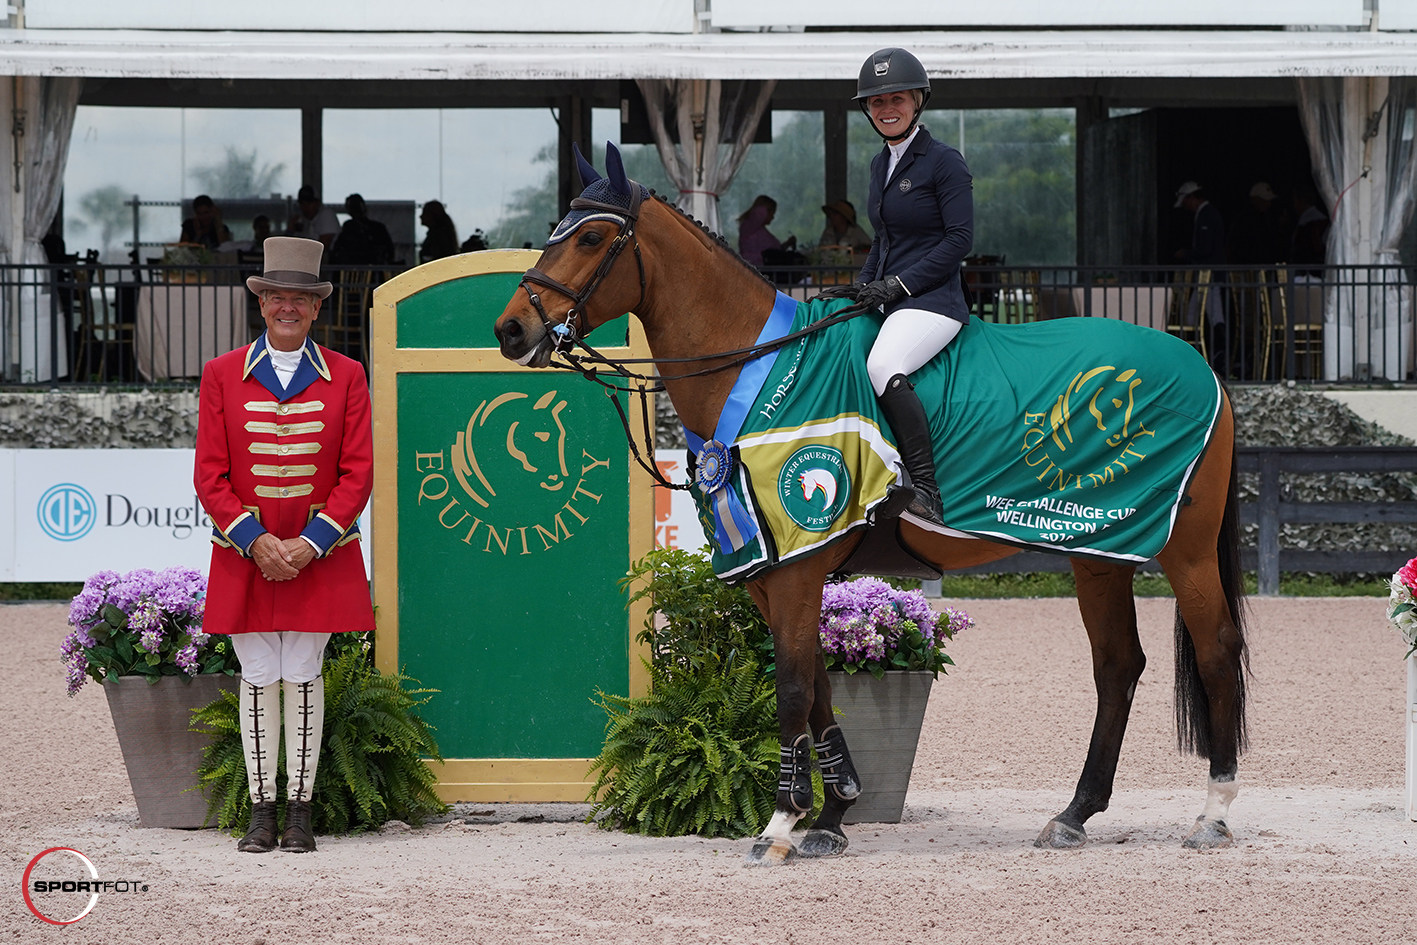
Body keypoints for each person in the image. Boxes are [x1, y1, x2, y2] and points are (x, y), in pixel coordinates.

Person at [194, 236, 375, 854]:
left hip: (316, 557)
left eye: (300, 297)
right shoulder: (221, 374)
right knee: (257, 673)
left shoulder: (348, 375)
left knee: (302, 672)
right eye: (277, 296)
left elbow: (358, 473)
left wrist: (310, 544)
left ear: (317, 307)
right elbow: (209, 475)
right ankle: (260, 810)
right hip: (246, 555)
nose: (288, 307)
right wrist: (256, 542)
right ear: (263, 303)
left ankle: (299, 810)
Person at [818, 47, 972, 527]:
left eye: (897, 99)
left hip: (932, 301)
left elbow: (960, 240)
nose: (887, 109)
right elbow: (884, 239)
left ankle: (926, 489)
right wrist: (861, 288)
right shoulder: (878, 163)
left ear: (917, 101)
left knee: (884, 364)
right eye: (877, 102)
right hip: (894, 297)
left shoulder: (944, 161)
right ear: (867, 109)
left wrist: (898, 285)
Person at [1172, 181, 1227, 366]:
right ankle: (1193, 355)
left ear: (1193, 197)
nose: (1186, 207)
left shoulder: (1207, 215)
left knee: (1213, 316)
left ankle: (1220, 355)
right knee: (1193, 316)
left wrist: (1186, 253)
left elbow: (1205, 249)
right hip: (1205, 277)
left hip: (1209, 277)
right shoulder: (1205, 214)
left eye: (1186, 201)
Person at [330, 193, 394, 266]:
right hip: (353, 269)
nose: (355, 209)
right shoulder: (348, 228)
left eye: (357, 206)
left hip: (373, 269)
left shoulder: (378, 228)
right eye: (352, 206)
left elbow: (388, 252)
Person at [737, 195, 796, 267]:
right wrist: (765, 205)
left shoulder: (760, 230)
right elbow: (760, 213)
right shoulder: (748, 227)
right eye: (771, 213)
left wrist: (787, 244)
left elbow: (774, 252)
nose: (772, 217)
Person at [288, 185, 340, 252]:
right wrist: (291, 229)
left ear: (317, 203)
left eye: (309, 203)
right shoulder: (303, 221)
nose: (305, 207)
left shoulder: (326, 214)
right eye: (302, 203)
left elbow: (323, 247)